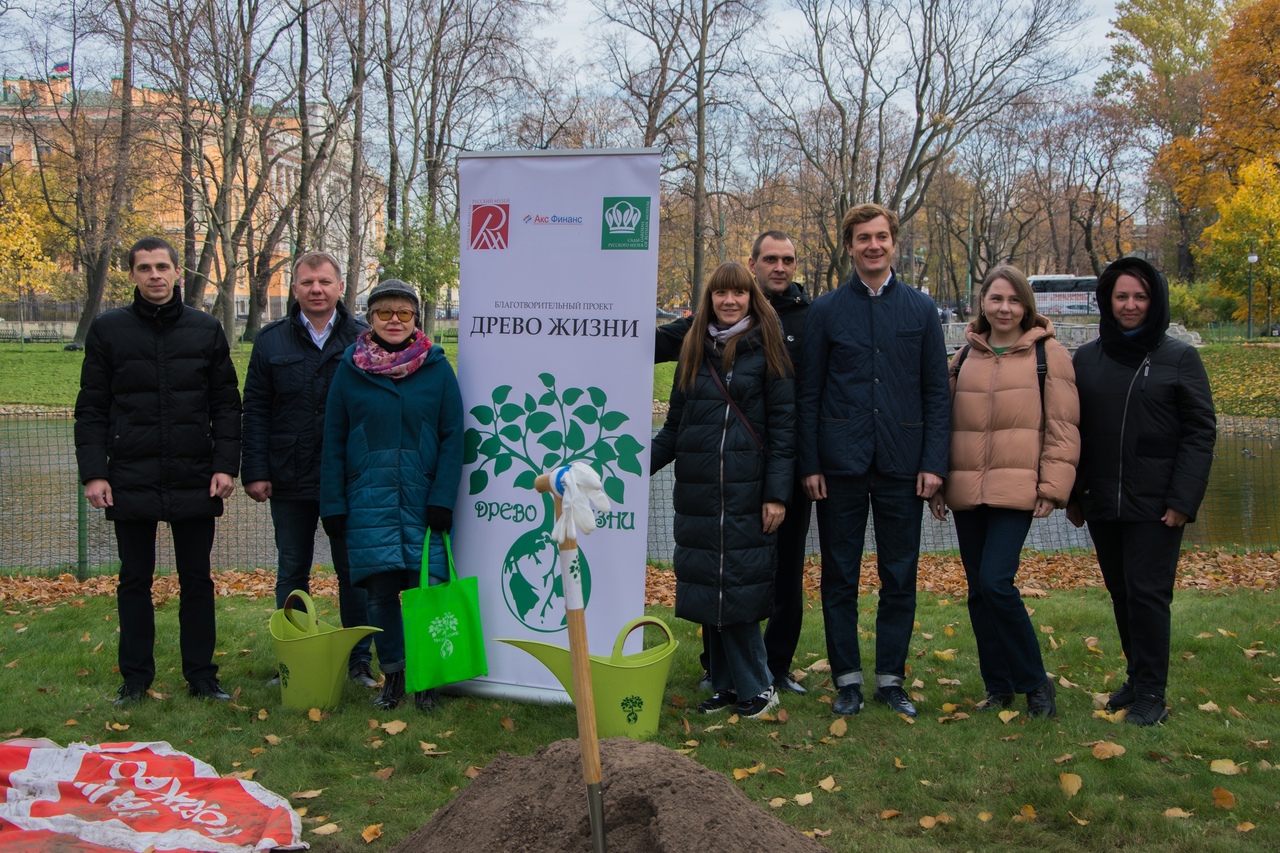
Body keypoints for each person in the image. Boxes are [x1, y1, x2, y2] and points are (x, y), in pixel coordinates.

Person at [797, 203, 950, 718]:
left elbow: (936, 392)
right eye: (863, 238)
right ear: (849, 246)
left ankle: (891, 679)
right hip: (838, 465)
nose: (873, 246)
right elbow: (809, 394)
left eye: (881, 237)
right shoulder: (825, 311)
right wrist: (810, 463)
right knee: (839, 575)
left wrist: (934, 462)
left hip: (903, 463)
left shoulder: (921, 310)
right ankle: (847, 680)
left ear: (894, 242)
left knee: (899, 575)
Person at [74, 236, 242, 705]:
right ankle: (135, 681)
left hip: (194, 473)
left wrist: (225, 465)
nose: (154, 275)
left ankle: (202, 677)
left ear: (176, 273)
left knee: (197, 580)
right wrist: (94, 472)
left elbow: (226, 406)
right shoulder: (108, 330)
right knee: (134, 581)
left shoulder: (205, 330)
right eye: (144, 268)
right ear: (131, 274)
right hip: (130, 474)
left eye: (162, 267)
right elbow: (91, 408)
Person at [655, 231, 813, 697]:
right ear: (709, 298)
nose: (729, 299)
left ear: (751, 298)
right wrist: (626, 466)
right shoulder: (692, 349)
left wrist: (776, 495)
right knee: (711, 588)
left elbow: (785, 433)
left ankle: (759, 686)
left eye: (738, 292)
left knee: (741, 591)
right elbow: (675, 429)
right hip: (703, 493)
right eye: (721, 292)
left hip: (749, 491)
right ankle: (722, 684)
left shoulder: (771, 351)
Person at [1066, 257, 1215, 726]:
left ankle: (1153, 692)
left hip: (1157, 504)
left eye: (1140, 297)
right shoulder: (1087, 358)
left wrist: (1182, 501)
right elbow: (1074, 431)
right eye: (1122, 296)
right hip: (1102, 499)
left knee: (1149, 594)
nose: (1130, 305)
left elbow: (1199, 432)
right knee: (1122, 592)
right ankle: (1136, 676)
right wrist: (1073, 494)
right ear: (1108, 301)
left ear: (1155, 301)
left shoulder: (1179, 357)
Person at [927, 264, 1079, 718]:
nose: (1005, 308)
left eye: (1014, 300)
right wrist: (938, 481)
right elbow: (944, 424)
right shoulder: (963, 357)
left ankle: (1036, 684)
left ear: (1025, 306)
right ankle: (999, 686)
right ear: (983, 304)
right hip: (967, 489)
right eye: (996, 299)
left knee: (996, 583)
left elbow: (1063, 427)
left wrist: (1052, 488)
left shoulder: (1048, 355)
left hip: (1017, 489)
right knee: (977, 590)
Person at [320, 279, 463, 711]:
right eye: (385, 313)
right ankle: (395, 675)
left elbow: (453, 436)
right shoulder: (350, 368)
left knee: (429, 590)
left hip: (423, 498)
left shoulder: (438, 368)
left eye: (404, 313)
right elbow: (333, 438)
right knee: (379, 594)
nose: (395, 321)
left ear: (415, 317)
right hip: (368, 497)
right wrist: (334, 504)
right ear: (370, 316)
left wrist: (442, 497)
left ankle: (428, 680)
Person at [241, 250, 376, 688]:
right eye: (306, 283)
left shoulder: (364, 339)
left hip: (348, 480)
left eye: (324, 282)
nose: (315, 289)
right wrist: (254, 470)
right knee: (293, 570)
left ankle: (358, 663)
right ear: (294, 288)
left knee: (353, 573)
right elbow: (256, 409)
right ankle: (295, 660)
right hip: (288, 476)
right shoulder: (271, 341)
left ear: (340, 287)